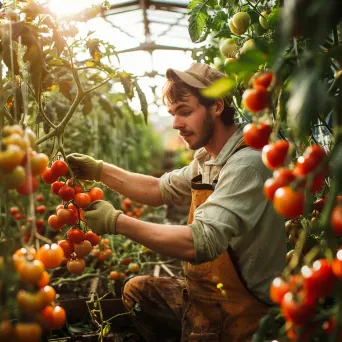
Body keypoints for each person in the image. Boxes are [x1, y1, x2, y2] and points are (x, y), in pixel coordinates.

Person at [67, 63, 286, 342]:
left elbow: (199, 242)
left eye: (185, 112)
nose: (176, 124)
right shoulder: (210, 159)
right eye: (173, 114)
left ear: (217, 107)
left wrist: (116, 222)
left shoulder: (247, 164)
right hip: (207, 296)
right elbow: (159, 190)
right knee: (137, 292)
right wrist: (100, 171)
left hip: (243, 314)